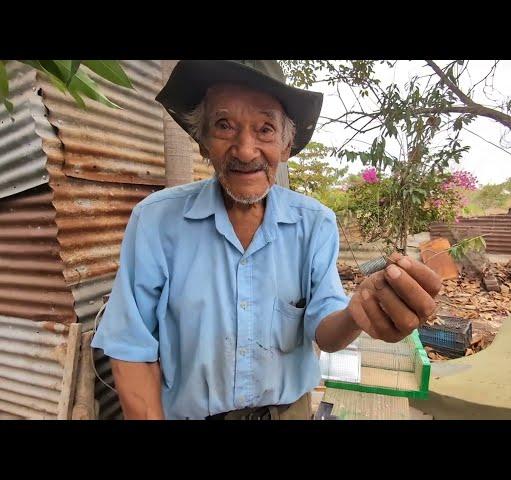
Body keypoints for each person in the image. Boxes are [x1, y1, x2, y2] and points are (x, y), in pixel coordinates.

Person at [91, 60, 441, 420]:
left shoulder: (315, 223)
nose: (245, 150)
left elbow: (326, 333)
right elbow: (131, 347)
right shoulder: (156, 220)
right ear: (203, 143)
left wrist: (357, 313)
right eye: (224, 125)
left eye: (265, 129)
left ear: (286, 146)